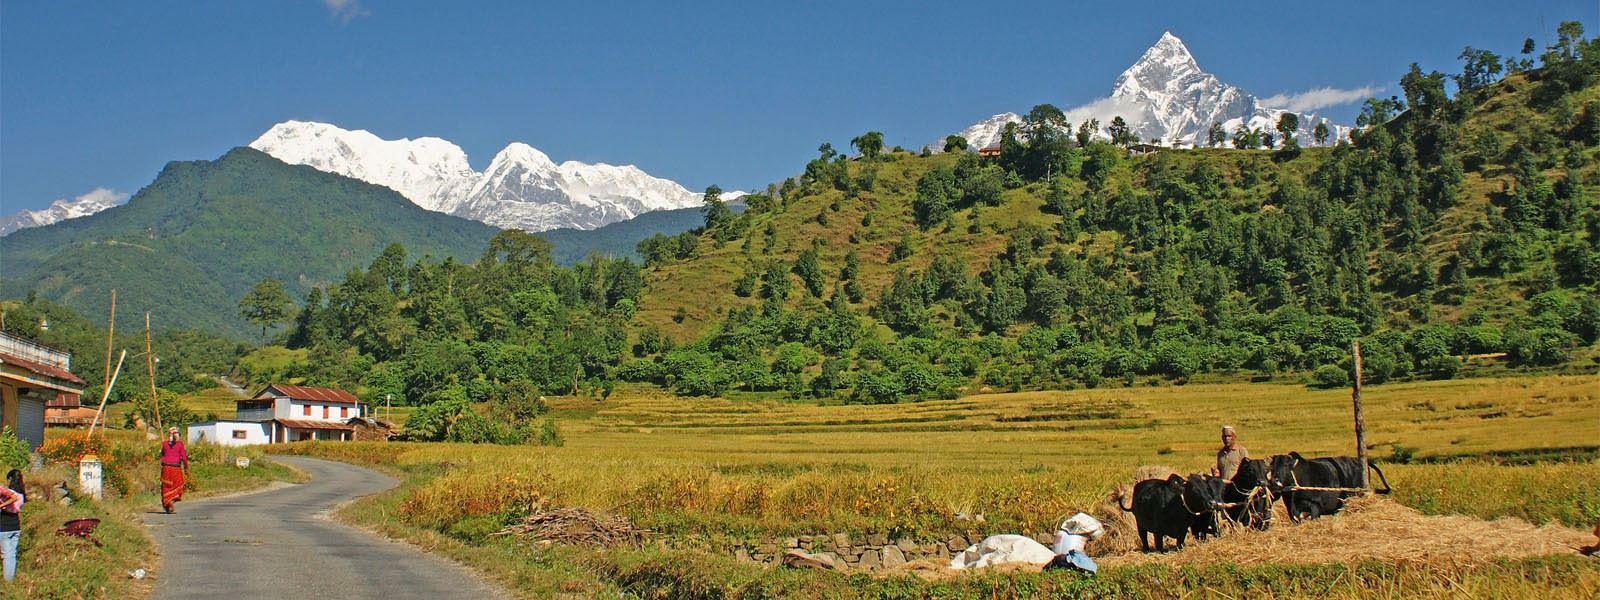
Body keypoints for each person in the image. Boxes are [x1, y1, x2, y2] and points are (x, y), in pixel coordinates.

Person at [0, 469, 24, 582]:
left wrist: (2, 505)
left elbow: (9, 500)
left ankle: (8, 580)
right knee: (12, 554)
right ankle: (11, 578)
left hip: (4, 526)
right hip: (16, 526)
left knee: (6, 555)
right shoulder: (22, 494)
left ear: (10, 479)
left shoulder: (8, 493)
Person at [160, 426, 189, 514]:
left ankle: (168, 501)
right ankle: (171, 501)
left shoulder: (164, 444)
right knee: (177, 485)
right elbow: (184, 457)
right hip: (175, 468)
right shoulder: (180, 444)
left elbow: (163, 453)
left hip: (166, 468)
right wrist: (186, 468)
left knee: (166, 486)